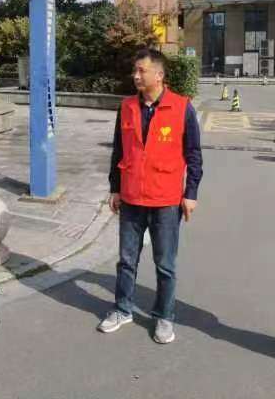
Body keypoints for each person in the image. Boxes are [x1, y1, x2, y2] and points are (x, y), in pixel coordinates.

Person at [99, 48, 203, 344]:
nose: (135, 75)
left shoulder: (182, 107)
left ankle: (164, 317)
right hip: (131, 197)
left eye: (141, 71)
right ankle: (123, 309)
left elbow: (194, 155)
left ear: (159, 75)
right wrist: (115, 188)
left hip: (166, 200)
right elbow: (119, 151)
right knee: (126, 260)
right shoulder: (127, 107)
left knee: (165, 264)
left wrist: (191, 193)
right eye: (135, 70)